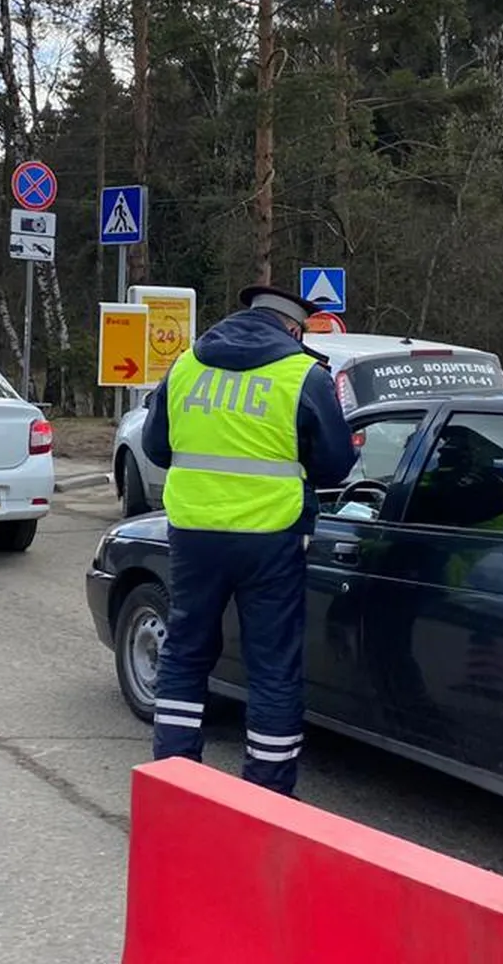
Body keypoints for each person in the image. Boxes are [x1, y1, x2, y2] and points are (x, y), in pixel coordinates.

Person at [138, 284, 357, 797]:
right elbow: (336, 467)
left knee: (186, 652)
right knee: (273, 665)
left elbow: (156, 447)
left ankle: (173, 779)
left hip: (194, 534)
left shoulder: (186, 366)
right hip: (270, 540)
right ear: (293, 329)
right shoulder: (302, 374)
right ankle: (266, 793)